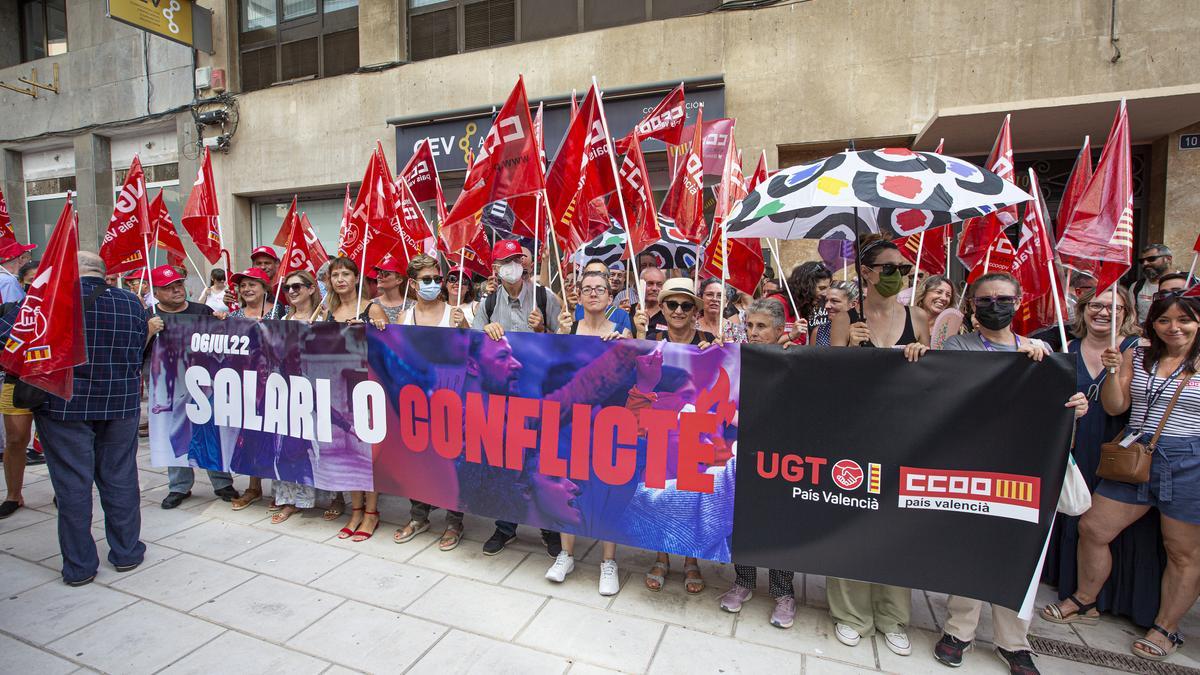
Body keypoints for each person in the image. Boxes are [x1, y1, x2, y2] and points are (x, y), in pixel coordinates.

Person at [904, 273, 1089, 673]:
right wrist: (920, 357)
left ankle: (1014, 642)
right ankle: (959, 631)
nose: (994, 305)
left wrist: (1073, 403)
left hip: (1025, 470)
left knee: (1019, 552)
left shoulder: (1042, 352)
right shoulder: (958, 346)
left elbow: (1057, 415)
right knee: (969, 547)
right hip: (972, 464)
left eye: (1003, 298)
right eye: (985, 299)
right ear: (972, 305)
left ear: (1018, 301)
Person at [1044, 294, 1200, 664]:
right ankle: (1085, 599)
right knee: (1093, 528)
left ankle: (1165, 627)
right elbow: (1116, 406)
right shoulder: (1141, 354)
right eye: (1164, 320)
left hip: (1188, 461)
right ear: (1153, 324)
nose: (1174, 328)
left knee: (1182, 552)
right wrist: (1113, 371)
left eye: (1184, 320)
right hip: (1133, 454)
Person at [1041, 285, 1163, 628]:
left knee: (1103, 523)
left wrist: (1114, 369)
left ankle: (1108, 597)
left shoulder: (1138, 349)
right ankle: (1069, 582)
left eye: (1115, 307)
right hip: (1072, 440)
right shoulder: (1063, 345)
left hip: (1117, 447)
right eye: (1096, 305)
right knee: (1073, 510)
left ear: (1127, 314)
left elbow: (1120, 404)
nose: (1104, 312)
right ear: (1083, 309)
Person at [824, 236, 919, 657]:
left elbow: (941, 375)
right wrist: (847, 344)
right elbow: (829, 375)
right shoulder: (847, 316)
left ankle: (893, 616)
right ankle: (850, 615)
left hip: (906, 436)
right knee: (850, 521)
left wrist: (923, 352)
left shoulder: (918, 316)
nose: (897, 275)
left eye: (903, 268)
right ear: (866, 272)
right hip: (856, 437)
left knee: (896, 528)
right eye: (888, 267)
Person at [29, 252, 148, 586]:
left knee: (72, 486)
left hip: (65, 407)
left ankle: (80, 566)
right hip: (120, 404)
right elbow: (139, 348)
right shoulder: (131, 303)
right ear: (103, 273)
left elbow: (12, 339)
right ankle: (126, 552)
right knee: (121, 478)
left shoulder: (51, 302)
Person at [472, 239, 563, 557]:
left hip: (540, 396)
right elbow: (474, 345)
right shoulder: (488, 303)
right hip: (503, 399)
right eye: (503, 261)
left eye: (515, 259)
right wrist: (485, 332)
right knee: (505, 462)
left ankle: (549, 528)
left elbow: (567, 343)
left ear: (523, 264)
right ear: (495, 269)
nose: (511, 265)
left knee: (542, 463)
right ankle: (505, 526)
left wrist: (544, 332)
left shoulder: (544, 297)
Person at [545, 270, 629, 595]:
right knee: (568, 484)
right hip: (571, 425)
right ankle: (566, 555)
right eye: (587, 289)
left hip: (608, 424)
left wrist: (626, 345)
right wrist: (559, 338)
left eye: (600, 289)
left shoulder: (621, 332)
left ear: (610, 297)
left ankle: (609, 562)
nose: (593, 293)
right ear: (579, 296)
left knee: (607, 488)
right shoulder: (569, 329)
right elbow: (552, 375)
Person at [718, 298, 798, 628]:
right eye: (749, 325)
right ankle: (744, 582)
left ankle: (783, 592)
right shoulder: (737, 358)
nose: (753, 332)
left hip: (781, 456)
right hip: (742, 452)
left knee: (779, 522)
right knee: (742, 518)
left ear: (780, 330)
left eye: (761, 326)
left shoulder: (795, 361)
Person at [392, 254, 472, 551]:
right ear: (413, 284)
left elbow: (472, 355)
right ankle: (419, 515)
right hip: (416, 398)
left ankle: (454, 521)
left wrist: (465, 328)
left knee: (452, 460)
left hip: (451, 397)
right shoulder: (405, 317)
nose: (435, 284)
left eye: (437, 279)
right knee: (418, 458)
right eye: (427, 280)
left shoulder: (455, 314)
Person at [145, 265, 240, 509]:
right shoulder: (147, 315)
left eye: (178, 284)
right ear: (156, 292)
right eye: (168, 287)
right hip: (168, 388)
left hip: (204, 384)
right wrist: (147, 332)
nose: (176, 290)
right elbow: (135, 352)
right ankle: (179, 486)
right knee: (174, 433)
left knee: (210, 430)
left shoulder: (202, 311)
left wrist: (222, 323)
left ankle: (221, 482)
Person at [640, 278, 713, 594]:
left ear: (696, 310)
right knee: (660, 494)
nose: (679, 311)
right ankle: (661, 556)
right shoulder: (649, 339)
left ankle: (691, 560)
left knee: (690, 496)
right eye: (672, 304)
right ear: (662, 308)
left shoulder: (710, 341)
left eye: (686, 305)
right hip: (658, 431)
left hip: (696, 431)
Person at [323, 257, 387, 541]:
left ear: (355, 277)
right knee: (349, 451)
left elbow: (388, 346)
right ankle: (356, 510)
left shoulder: (372, 308)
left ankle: (372, 513)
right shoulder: (328, 310)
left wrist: (370, 330)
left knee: (367, 453)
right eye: (335, 274)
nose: (340, 279)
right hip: (337, 388)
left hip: (367, 387)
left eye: (345, 273)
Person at [266, 270, 325, 524]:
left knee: (311, 447)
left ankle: (315, 497)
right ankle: (289, 499)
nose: (291, 292)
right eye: (288, 287)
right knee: (284, 447)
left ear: (311, 289)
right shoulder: (280, 317)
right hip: (285, 390)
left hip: (315, 390)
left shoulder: (324, 316)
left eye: (297, 286)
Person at [226, 267, 286, 511]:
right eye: (243, 286)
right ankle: (253, 487)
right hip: (246, 382)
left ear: (265, 288)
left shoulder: (281, 311)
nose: (247, 289)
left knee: (275, 434)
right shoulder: (234, 315)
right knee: (249, 433)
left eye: (252, 284)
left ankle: (279, 487)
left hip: (277, 381)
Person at [0, 261, 41, 518]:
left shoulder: (65, 310)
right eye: (32, 279)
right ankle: (13, 495)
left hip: (54, 383)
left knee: (55, 442)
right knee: (15, 440)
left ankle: (63, 493)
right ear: (22, 282)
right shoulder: (9, 311)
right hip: (16, 381)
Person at [1133, 244, 1175, 323]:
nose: (1145, 263)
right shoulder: (1136, 286)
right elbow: (1131, 315)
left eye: (1151, 259)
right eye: (1142, 261)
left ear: (1168, 259)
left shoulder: (1188, 282)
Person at [910, 274, 956, 345]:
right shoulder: (906, 321)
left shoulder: (954, 327)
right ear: (924, 293)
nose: (944, 298)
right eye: (939, 292)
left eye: (948, 295)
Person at [697, 277, 745, 343]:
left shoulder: (735, 330)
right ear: (701, 298)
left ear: (727, 302)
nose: (714, 299)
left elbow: (745, 352)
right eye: (709, 294)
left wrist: (731, 348)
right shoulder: (692, 327)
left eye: (720, 295)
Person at [813, 280, 859, 347]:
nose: (827, 306)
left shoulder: (864, 331)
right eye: (826, 300)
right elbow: (813, 357)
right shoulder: (819, 332)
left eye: (834, 301)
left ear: (853, 304)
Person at [371, 254, 410, 323]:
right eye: (378, 272)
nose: (378, 276)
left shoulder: (413, 306)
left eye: (385, 273)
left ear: (399, 280)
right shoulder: (371, 305)